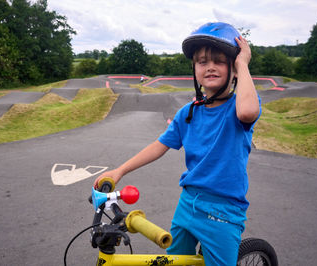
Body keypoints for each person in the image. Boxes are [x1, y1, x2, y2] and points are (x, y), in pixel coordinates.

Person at [93, 22, 261, 266]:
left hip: (223, 211)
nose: (210, 66)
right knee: (172, 261)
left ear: (233, 68)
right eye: (202, 62)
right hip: (188, 204)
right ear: (194, 69)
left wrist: (243, 64)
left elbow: (247, 112)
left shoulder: (237, 108)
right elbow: (159, 145)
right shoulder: (188, 112)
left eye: (219, 61)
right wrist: (120, 170)